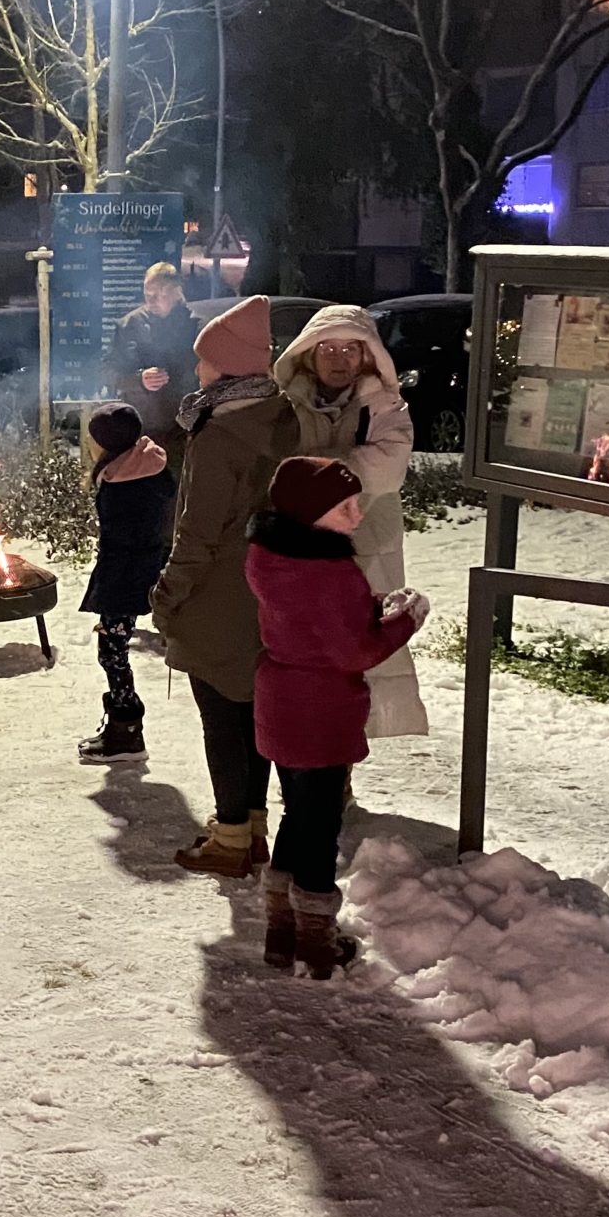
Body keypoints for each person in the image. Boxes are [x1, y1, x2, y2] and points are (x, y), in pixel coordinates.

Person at [245, 456, 428, 976]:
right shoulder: (331, 572)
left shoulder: (271, 556)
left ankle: (280, 932)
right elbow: (355, 652)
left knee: (296, 815)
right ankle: (316, 944)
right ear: (310, 514)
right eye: (344, 507)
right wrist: (406, 621)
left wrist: (369, 606)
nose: (357, 514)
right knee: (321, 827)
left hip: (281, 700)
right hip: (320, 711)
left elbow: (314, 616)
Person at [149, 293, 290, 875]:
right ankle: (252, 826)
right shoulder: (283, 416)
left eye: (205, 359)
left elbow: (197, 533)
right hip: (272, 589)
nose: (197, 368)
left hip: (219, 596)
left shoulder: (219, 434)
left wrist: (166, 597)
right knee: (255, 711)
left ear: (227, 366)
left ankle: (230, 838)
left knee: (221, 717)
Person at [270, 303, 429, 739]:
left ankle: (342, 752)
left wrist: (312, 472)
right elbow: (270, 462)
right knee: (305, 646)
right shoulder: (284, 403)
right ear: (309, 352)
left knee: (358, 644)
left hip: (367, 537)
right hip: (300, 545)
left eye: (350, 349)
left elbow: (388, 466)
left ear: (367, 354)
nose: (338, 359)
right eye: (328, 348)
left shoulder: (385, 404)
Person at [76, 400, 176, 764]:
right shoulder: (147, 465)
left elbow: (120, 540)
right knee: (113, 648)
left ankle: (127, 732)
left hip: (125, 576)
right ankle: (124, 727)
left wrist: (108, 591)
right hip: (142, 567)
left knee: (112, 652)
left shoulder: (121, 482)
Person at [105, 261, 197, 453]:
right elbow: (108, 373)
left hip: (186, 430)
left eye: (159, 295)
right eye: (147, 295)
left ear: (176, 292)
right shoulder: (129, 325)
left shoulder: (196, 325)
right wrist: (139, 380)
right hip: (143, 430)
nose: (151, 301)